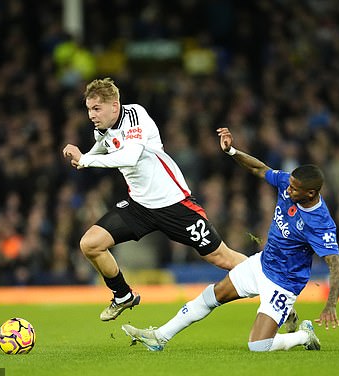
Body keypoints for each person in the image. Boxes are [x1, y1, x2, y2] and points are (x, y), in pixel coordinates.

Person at [121, 127, 339, 352]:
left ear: (311, 193)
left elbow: (335, 266)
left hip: (283, 283)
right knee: (211, 296)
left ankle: (304, 336)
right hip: (262, 264)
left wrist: (331, 305)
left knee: (258, 346)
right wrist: (232, 152)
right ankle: (160, 337)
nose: (289, 190)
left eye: (295, 190)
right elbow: (259, 169)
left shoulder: (320, 223)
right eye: (290, 185)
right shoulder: (288, 183)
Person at [62, 78, 247, 321]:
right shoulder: (102, 128)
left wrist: (85, 160)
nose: (91, 115)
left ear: (114, 106)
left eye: (96, 109)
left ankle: (272, 283)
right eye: (88, 109)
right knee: (90, 244)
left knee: (222, 257)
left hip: (173, 203)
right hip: (140, 206)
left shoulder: (136, 115)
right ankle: (122, 295)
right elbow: (103, 144)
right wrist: (85, 156)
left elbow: (130, 157)